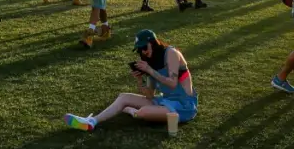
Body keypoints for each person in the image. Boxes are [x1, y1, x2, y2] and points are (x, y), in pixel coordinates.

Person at [64, 29, 197, 131]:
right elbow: (149, 95)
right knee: (123, 97)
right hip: (165, 102)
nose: (143, 52)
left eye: (145, 47)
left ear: (153, 44)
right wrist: (140, 80)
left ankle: (132, 111)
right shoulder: (150, 63)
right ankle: (92, 121)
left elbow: (172, 83)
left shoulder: (171, 53)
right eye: (140, 49)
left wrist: (150, 70)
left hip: (184, 105)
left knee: (143, 112)